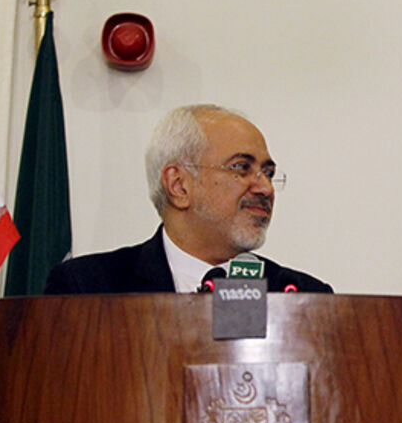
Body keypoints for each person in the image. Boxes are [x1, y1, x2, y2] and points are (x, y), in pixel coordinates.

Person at [44, 104, 332, 294]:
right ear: (179, 185)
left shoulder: (302, 294)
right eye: (241, 168)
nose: (265, 188)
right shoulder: (89, 288)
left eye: (267, 172)